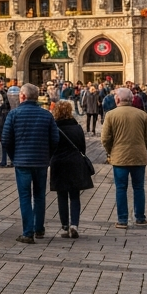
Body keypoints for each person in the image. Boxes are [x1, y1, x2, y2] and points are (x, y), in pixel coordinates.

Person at [1, 83, 59, 244]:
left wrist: (14, 156)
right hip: (41, 161)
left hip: (22, 161)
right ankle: (39, 229)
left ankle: (28, 232)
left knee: (25, 196)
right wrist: (47, 155)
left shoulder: (14, 114)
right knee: (40, 195)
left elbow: (5, 139)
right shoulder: (46, 115)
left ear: (23, 96)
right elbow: (55, 139)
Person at [101, 86, 147, 228]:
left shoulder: (111, 115)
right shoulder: (142, 115)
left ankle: (122, 220)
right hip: (138, 157)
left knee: (121, 188)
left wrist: (111, 151)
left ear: (117, 99)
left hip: (119, 158)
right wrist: (143, 148)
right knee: (138, 188)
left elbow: (105, 138)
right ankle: (140, 218)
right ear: (132, 99)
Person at [49, 100, 93, 238]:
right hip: (75, 162)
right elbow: (82, 148)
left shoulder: (54, 127)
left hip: (59, 163)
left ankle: (64, 226)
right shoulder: (77, 127)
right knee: (74, 196)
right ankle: (74, 224)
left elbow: (50, 146)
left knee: (61, 196)